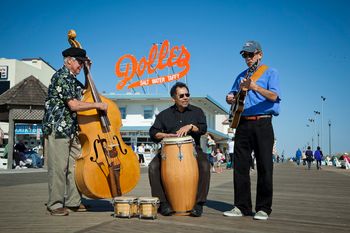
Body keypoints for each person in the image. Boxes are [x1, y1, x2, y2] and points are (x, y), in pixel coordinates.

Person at [42, 47, 108, 216]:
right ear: (69, 60)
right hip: (58, 128)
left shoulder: (72, 79)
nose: (81, 65)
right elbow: (74, 105)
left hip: (71, 130)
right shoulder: (61, 77)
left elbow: (85, 93)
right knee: (59, 168)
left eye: (82, 62)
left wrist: (88, 72)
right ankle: (55, 204)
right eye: (79, 62)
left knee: (75, 168)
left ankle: (73, 202)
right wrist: (98, 105)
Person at [223, 40, 281, 221]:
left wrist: (255, 87)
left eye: (251, 54)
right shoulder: (240, 76)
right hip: (243, 123)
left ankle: (263, 208)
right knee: (240, 167)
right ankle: (241, 206)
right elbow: (232, 95)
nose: (248, 58)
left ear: (260, 54)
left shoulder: (271, 72)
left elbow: (274, 96)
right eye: (245, 55)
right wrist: (230, 97)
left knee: (265, 166)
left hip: (263, 123)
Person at [148, 82, 210, 217]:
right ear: (174, 98)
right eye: (181, 95)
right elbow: (153, 133)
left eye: (187, 94)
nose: (185, 97)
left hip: (193, 149)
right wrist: (165, 135)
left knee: (205, 166)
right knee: (153, 167)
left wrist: (191, 126)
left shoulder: (197, 112)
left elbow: (203, 129)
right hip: (167, 150)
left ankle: (198, 204)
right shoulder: (164, 115)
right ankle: (163, 203)